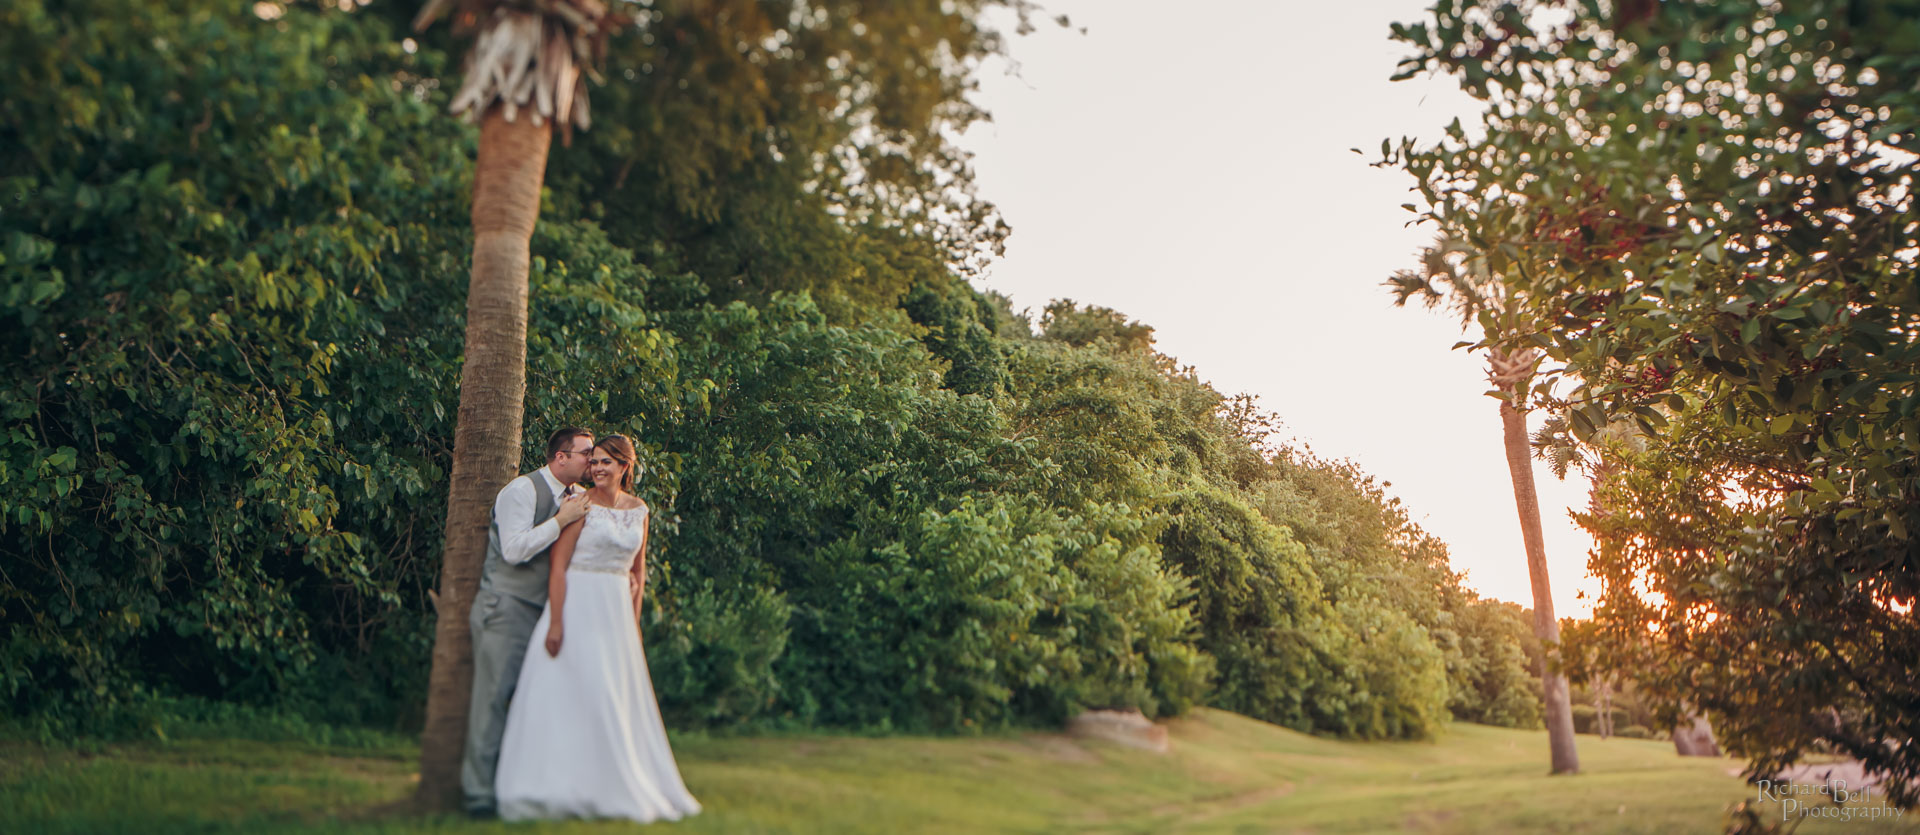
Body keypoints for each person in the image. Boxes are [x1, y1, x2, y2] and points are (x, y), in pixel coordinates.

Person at [494, 434, 702, 823]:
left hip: (616, 613)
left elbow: (638, 572)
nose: (598, 467)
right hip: (577, 604)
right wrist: (556, 622)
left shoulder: (639, 510)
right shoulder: (580, 505)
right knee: (571, 691)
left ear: (625, 467)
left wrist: (634, 627)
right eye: (595, 461)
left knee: (614, 694)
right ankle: (560, 783)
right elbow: (558, 567)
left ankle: (614, 778)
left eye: (607, 461)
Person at [461, 427, 596, 817]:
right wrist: (561, 519)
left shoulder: (576, 498)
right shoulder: (521, 491)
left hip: (545, 614)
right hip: (505, 608)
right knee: (492, 701)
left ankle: (521, 788)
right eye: (586, 452)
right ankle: (478, 796)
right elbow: (514, 550)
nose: (591, 459)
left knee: (535, 706)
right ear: (560, 457)